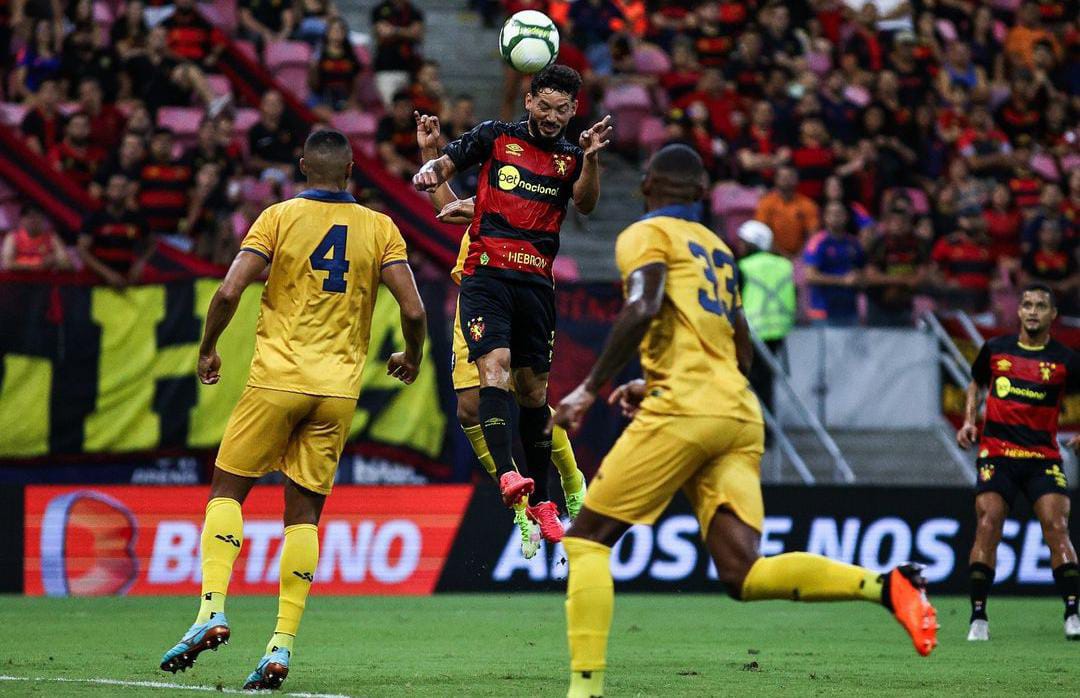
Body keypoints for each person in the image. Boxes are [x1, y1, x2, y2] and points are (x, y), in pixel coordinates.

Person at [552, 144, 936, 698]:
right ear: (703, 193)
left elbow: (642, 306)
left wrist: (591, 388)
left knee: (587, 541)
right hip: (737, 411)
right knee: (744, 573)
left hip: (685, 408)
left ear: (647, 188)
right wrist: (663, 380)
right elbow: (743, 345)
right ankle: (885, 585)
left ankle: (584, 691)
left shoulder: (645, 234)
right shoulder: (720, 250)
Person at [158, 129, 427, 690]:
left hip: (277, 380)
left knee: (226, 493)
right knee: (303, 516)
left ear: (304, 166)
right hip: (337, 393)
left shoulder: (276, 218)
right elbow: (414, 308)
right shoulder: (381, 228)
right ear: (352, 170)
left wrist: (208, 347)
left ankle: (211, 610)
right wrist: (412, 355)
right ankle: (280, 647)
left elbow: (231, 290)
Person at [412, 65, 611, 542]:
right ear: (527, 101)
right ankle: (513, 489)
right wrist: (430, 160)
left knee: (533, 394)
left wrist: (591, 159)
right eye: (543, 106)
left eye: (562, 109)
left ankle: (552, 492)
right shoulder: (496, 140)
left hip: (534, 287)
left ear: (573, 111)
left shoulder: (567, 158)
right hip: (483, 281)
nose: (551, 116)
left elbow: (585, 205)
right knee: (479, 390)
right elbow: (446, 177)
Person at [956, 284, 1080, 642]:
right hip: (997, 455)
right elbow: (975, 382)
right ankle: (978, 617)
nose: (1032, 311)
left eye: (1041, 306)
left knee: (1056, 527)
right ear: (1019, 311)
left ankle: (1072, 613)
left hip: (1043, 458)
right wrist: (968, 421)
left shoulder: (1065, 359)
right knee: (988, 523)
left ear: (1052, 315)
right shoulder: (996, 350)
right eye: (1027, 304)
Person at [734, 219, 794, 416]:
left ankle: (758, 431)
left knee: (751, 385)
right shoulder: (785, 265)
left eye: (743, 242)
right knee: (766, 385)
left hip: (751, 332)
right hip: (778, 331)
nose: (740, 246)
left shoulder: (744, 266)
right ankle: (768, 434)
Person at [77, 173, 152, 288]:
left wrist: (140, 263)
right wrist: (107, 274)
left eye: (122, 187)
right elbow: (82, 250)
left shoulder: (137, 218)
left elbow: (152, 243)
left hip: (126, 282)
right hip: (97, 283)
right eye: (114, 187)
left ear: (127, 191)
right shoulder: (94, 217)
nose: (117, 191)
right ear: (107, 190)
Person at [803, 200, 864, 325]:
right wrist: (842, 280)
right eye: (832, 213)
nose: (836, 217)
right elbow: (810, 276)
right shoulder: (817, 242)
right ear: (825, 217)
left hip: (849, 310)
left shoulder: (854, 243)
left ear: (846, 217)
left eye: (839, 213)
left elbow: (862, 270)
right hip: (823, 311)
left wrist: (858, 277)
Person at [752, 165, 820, 258]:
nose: (786, 180)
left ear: (796, 180)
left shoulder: (808, 204)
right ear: (776, 180)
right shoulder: (766, 203)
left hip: (801, 257)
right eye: (783, 177)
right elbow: (761, 233)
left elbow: (813, 235)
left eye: (790, 176)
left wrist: (800, 257)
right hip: (771, 255)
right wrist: (783, 255)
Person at [0, 206, 70, 271]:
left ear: (42, 219)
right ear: (21, 220)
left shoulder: (52, 238)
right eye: (29, 217)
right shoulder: (12, 237)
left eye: (37, 216)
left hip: (44, 281)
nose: (33, 220)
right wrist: (39, 266)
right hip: (17, 282)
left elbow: (66, 263)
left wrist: (55, 260)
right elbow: (7, 264)